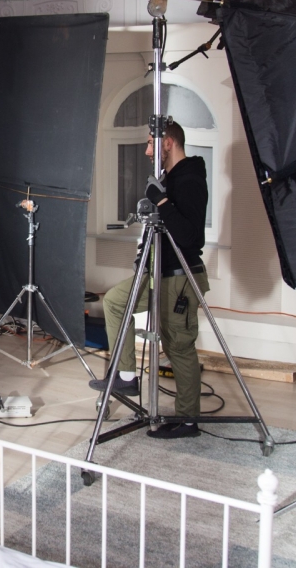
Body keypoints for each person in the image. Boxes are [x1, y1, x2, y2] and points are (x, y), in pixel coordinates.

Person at [89, 120, 209, 439]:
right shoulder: (168, 179)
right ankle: (127, 376)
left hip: (180, 276)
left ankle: (188, 421)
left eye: (151, 143)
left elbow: (190, 236)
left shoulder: (191, 178)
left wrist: (163, 202)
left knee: (178, 346)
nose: (146, 151)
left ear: (168, 142)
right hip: (156, 271)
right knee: (116, 302)